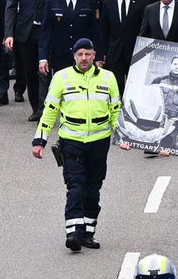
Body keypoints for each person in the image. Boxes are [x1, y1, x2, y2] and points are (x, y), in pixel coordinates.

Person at [34, 39, 121, 252]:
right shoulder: (61, 77)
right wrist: (40, 140)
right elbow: (50, 110)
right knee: (75, 187)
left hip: (99, 142)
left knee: (93, 190)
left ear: (94, 56)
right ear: (74, 56)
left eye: (88, 54)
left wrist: (123, 136)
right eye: (80, 54)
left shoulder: (108, 78)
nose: (84, 58)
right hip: (72, 141)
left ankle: (87, 233)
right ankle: (72, 232)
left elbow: (116, 111)